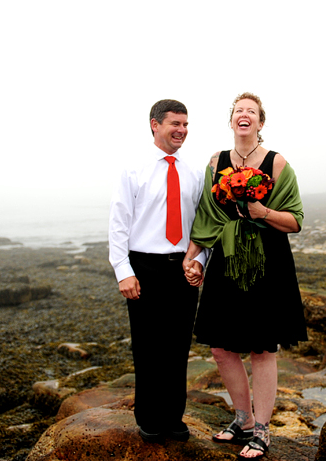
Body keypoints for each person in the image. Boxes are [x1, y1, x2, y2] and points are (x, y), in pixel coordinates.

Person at [183, 92, 307, 459]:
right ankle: (244, 420)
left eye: (251, 112)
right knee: (221, 347)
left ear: (260, 123)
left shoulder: (278, 163)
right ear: (231, 120)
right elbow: (206, 217)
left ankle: (264, 431)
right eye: (239, 110)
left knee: (262, 347)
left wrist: (261, 211)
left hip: (268, 263)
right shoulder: (215, 162)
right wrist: (193, 258)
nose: (244, 115)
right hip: (226, 259)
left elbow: (295, 221)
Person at [109, 99, 208, 444]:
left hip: (183, 267)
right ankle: (149, 418)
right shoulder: (133, 169)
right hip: (144, 266)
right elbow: (119, 223)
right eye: (174, 124)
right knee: (148, 346)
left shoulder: (195, 172)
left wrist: (200, 261)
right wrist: (123, 270)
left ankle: (173, 417)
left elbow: (203, 224)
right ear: (155, 124)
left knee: (177, 346)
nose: (181, 130)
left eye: (185, 125)